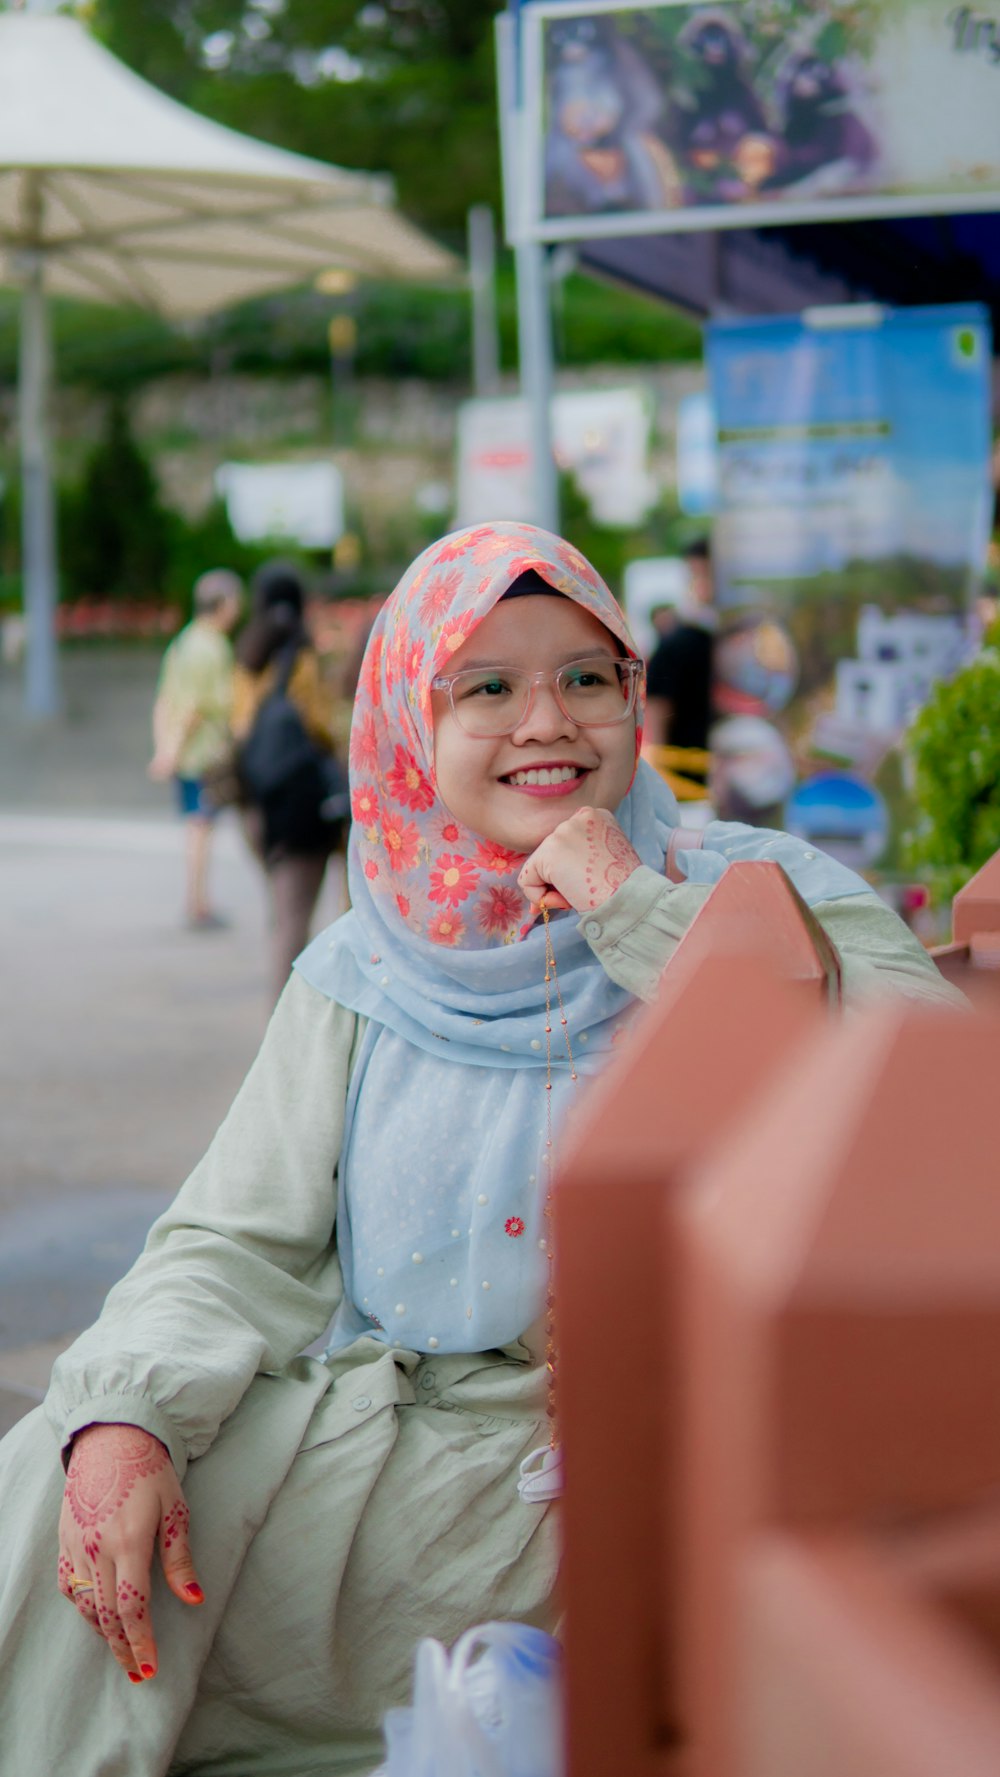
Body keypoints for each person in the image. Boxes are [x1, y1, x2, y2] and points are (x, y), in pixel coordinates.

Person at [0, 523, 961, 1776]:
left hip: (664, 1466)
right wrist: (125, 1414)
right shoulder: (364, 967)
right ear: (413, 721)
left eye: (585, 676)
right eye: (489, 687)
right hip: (391, 1470)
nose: (546, 722)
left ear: (634, 694)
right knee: (54, 1482)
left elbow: (924, 1093)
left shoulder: (759, 880)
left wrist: (633, 904)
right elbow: (230, 1241)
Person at [232, 560, 341, 1004]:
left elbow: (239, 724)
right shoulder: (302, 654)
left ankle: (286, 1011)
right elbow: (318, 723)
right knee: (295, 917)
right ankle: (284, 1022)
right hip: (298, 800)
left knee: (280, 913)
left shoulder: (247, 654)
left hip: (255, 800)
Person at [149, 569, 244, 930]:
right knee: (201, 827)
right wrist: (171, 751)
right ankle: (197, 901)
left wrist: (164, 748)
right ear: (222, 604)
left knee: (197, 825)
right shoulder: (213, 647)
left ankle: (197, 899)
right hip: (204, 754)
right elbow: (194, 708)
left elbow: (165, 699)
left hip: (187, 752)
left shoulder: (183, 642)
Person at [643, 536, 717, 757]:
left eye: (706, 575)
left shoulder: (741, 635)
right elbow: (657, 707)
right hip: (690, 770)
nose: (700, 585)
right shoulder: (679, 642)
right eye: (695, 575)